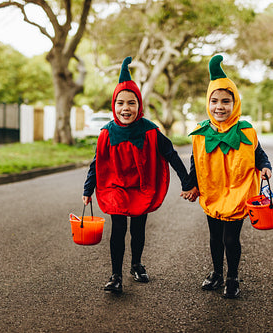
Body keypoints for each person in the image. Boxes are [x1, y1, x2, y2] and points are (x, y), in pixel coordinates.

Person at [82, 57, 196, 294]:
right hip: (116, 187)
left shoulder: (151, 131)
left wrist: (187, 181)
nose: (126, 108)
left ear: (139, 105)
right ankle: (115, 275)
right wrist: (88, 188)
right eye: (120, 103)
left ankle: (136, 264)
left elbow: (172, 155)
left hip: (141, 187)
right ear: (114, 106)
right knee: (118, 229)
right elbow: (97, 162)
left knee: (138, 229)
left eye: (131, 103)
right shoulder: (106, 133)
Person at [183, 54, 272, 299]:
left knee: (230, 239)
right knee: (214, 238)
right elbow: (196, 161)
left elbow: (259, 154)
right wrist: (192, 185)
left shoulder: (245, 130)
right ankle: (216, 273)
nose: (219, 106)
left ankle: (232, 277)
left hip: (237, 191)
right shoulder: (201, 132)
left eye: (225, 101)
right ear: (207, 103)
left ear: (235, 104)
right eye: (214, 101)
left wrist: (265, 166)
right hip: (212, 191)